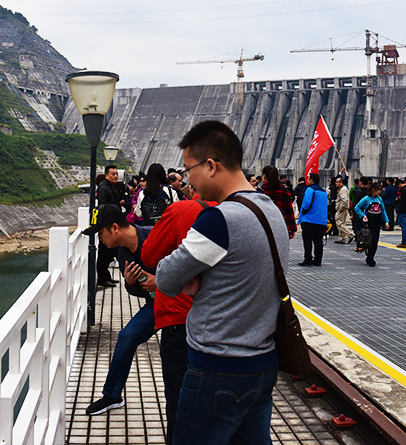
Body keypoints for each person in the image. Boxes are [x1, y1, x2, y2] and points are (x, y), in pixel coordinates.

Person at [155, 120, 287, 445]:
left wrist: (195, 278)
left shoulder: (220, 220)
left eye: (189, 170)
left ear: (211, 166)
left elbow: (167, 277)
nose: (188, 180)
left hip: (217, 369)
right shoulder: (270, 211)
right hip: (262, 365)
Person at [141, 194, 218, 444]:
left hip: (179, 315)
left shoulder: (181, 210)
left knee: (179, 393)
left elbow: (149, 255)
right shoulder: (241, 211)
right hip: (222, 321)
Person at [83, 205, 155, 416]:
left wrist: (161, 280)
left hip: (181, 305)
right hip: (155, 306)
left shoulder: (154, 235)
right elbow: (137, 290)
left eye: (100, 233)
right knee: (126, 337)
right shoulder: (122, 253)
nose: (100, 239)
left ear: (114, 228)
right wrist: (131, 283)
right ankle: (112, 395)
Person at [96, 164, 125, 287]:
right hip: (107, 225)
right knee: (104, 253)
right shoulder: (104, 188)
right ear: (106, 175)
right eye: (113, 174)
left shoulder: (111, 187)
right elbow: (103, 207)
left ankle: (106, 276)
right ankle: (102, 278)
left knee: (108, 253)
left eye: (117, 174)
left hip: (112, 224)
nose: (116, 176)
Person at [354, 181, 389, 267]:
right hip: (369, 223)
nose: (379, 192)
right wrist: (363, 216)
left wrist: (386, 222)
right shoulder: (366, 199)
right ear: (373, 190)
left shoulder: (379, 199)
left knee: (375, 241)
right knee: (371, 240)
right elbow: (357, 207)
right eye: (378, 190)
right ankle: (370, 258)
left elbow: (383, 211)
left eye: (380, 190)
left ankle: (371, 257)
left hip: (377, 223)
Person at [298, 172, 328, 266]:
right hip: (321, 221)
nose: (307, 180)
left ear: (312, 180)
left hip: (309, 219)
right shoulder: (323, 192)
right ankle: (318, 260)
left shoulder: (310, 189)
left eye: (308, 179)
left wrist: (303, 211)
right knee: (318, 241)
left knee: (307, 240)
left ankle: (308, 259)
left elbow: (307, 202)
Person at [260, 165, 297, 240]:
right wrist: (293, 229)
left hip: (263, 228)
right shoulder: (285, 192)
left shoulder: (260, 192)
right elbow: (289, 212)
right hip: (281, 227)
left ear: (264, 176)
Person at [333, 175, 354, 244]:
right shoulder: (342, 189)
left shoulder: (343, 189)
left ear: (341, 183)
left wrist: (342, 207)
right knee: (342, 223)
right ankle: (342, 238)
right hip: (342, 208)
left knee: (339, 223)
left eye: (337, 182)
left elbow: (344, 200)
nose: (336, 183)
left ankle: (350, 234)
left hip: (341, 209)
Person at [395, 176, 406, 247]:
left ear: (399, 184)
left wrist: (398, 199)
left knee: (404, 226)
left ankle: (404, 242)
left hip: (403, 210)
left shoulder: (404, 190)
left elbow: (404, 200)